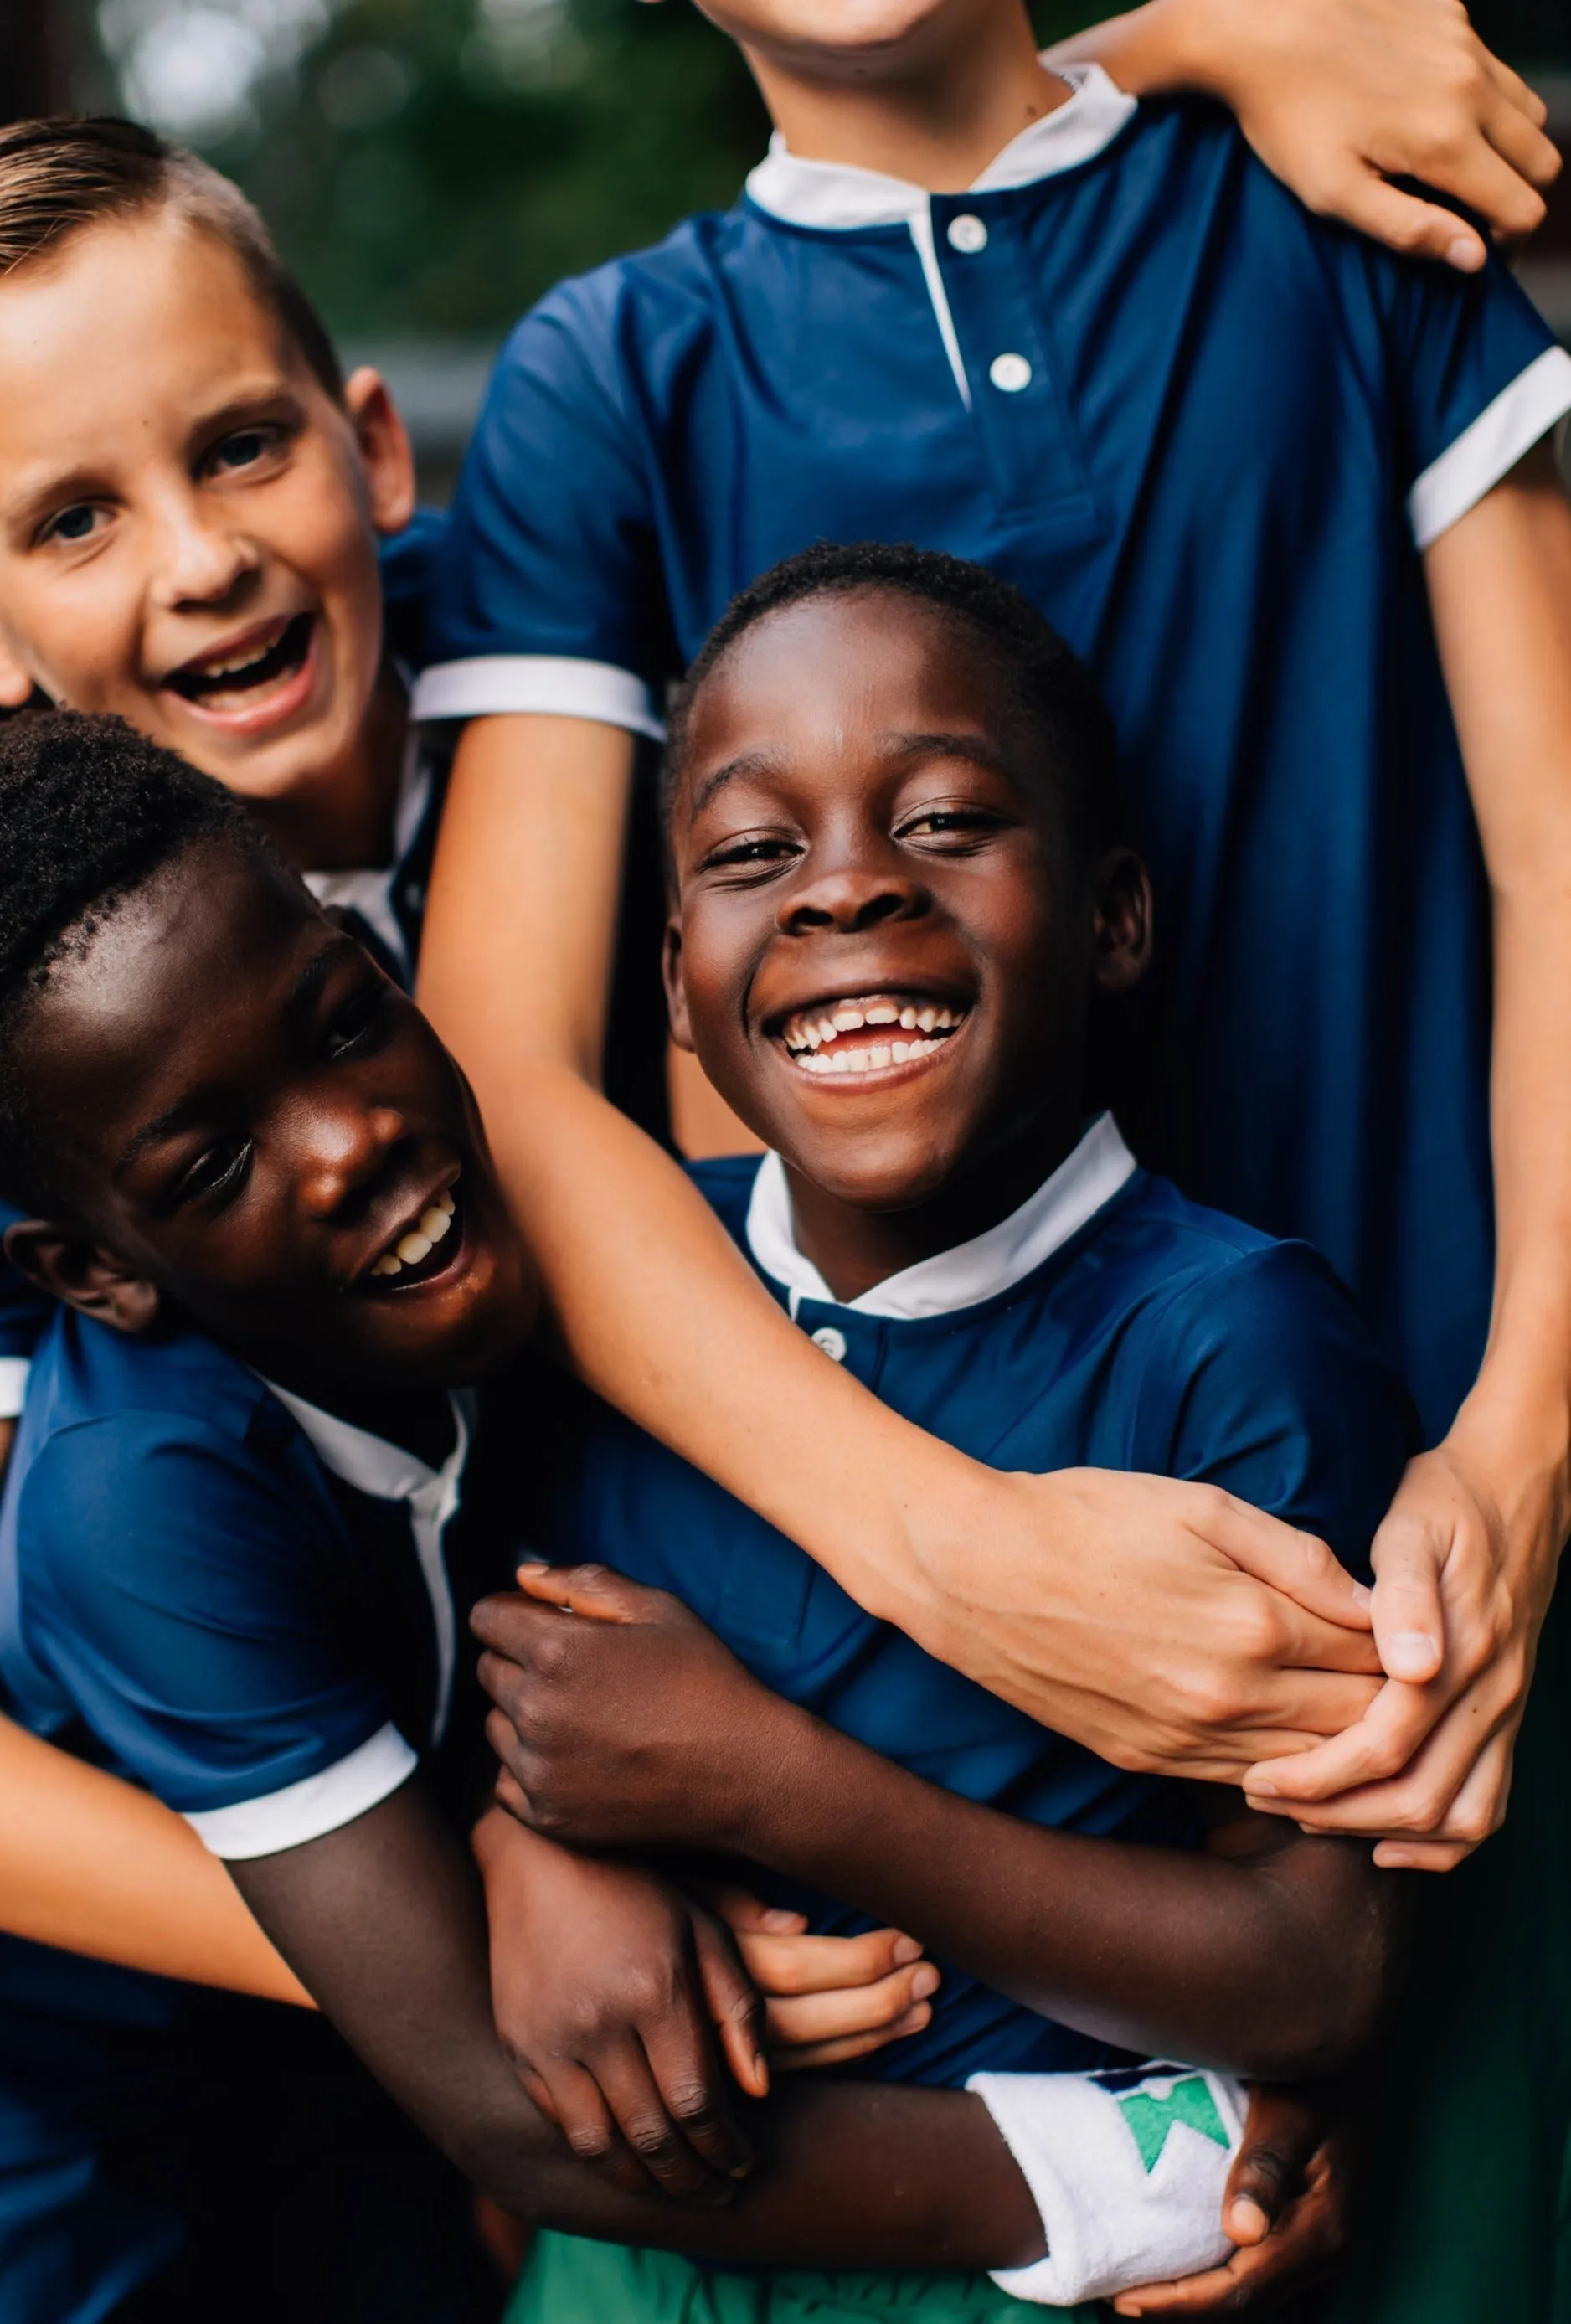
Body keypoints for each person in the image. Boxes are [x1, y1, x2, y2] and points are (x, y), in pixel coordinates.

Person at [408, 0, 1571, 2307]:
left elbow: (1559, 857)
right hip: (884, 1696)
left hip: (1426, 1655)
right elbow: (510, 1073)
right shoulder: (613, 370)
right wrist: (957, 1558)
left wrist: (1522, 1449)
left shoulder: (1333, 218)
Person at [0, 706, 1392, 2319]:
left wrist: (520, 1824)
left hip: (358, 2054)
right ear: (96, 1271)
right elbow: (506, 2104)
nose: (351, 1144)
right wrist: (1153, 2169)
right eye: (215, 1168)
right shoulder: (146, 1507)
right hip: (40, 2092)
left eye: (346, 1024)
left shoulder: (522, 1241)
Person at [0, 127, 925, 2323]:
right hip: (76, 2049)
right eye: (74, 517)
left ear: (373, 445)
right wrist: (472, 1874)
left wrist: (1230, 28)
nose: (196, 562)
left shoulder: (560, 683)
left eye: (240, 448)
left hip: (485, 1822)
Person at [463, 540, 1418, 2320]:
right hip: (624, 2274)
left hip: (1018, 2272)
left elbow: (1316, 1974)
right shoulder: (606, 1307)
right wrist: (531, 1856)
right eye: (758, 853)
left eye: (947, 820)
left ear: (1116, 915)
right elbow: (515, 1721)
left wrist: (776, 1784)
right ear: (676, 980)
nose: (842, 891)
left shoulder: (1234, 1346)